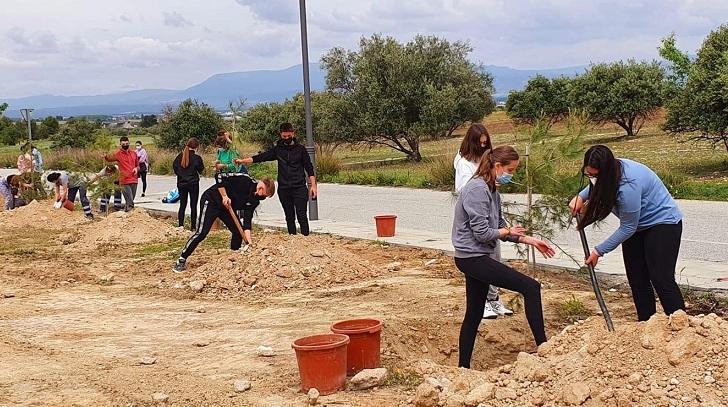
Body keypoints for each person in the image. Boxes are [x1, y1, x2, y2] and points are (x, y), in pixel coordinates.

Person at [453, 146, 555, 369]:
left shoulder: (492, 190)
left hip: (477, 256)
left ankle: (463, 368)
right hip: (472, 257)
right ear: (497, 166)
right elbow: (482, 233)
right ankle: (544, 348)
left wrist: (531, 241)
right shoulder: (476, 190)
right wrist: (506, 232)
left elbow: (499, 227)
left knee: (474, 312)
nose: (512, 175)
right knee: (531, 287)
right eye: (510, 170)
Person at [569, 145, 685, 322]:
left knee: (661, 278)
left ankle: (679, 324)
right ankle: (646, 323)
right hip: (638, 227)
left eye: (595, 175)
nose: (592, 179)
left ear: (606, 172)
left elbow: (628, 227)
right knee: (637, 278)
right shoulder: (610, 170)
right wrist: (581, 196)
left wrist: (599, 251)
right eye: (588, 174)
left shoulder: (628, 185)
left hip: (663, 224)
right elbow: (596, 186)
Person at [454, 123, 512, 319]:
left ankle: (493, 298)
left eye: (486, 143)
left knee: (495, 257)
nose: (483, 147)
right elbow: (466, 190)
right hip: (475, 219)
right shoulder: (466, 167)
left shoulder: (490, 175)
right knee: (482, 267)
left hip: (486, 212)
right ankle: (485, 302)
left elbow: (500, 224)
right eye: (480, 144)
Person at [172, 173, 276, 273]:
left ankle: (233, 258)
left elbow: (247, 223)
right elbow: (219, 176)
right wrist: (224, 196)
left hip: (227, 209)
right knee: (202, 232)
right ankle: (182, 259)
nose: (259, 193)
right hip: (212, 201)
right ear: (261, 183)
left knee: (238, 232)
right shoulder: (245, 179)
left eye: (264, 195)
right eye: (261, 189)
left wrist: (249, 243)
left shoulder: (255, 200)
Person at [241, 122, 317, 236]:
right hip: (284, 188)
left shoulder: (301, 149)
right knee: (289, 216)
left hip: (299, 187)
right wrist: (243, 161)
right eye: (284, 136)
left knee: (302, 215)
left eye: (288, 136)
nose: (286, 138)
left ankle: (306, 238)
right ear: (280, 135)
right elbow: (262, 157)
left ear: (293, 133)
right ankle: (292, 237)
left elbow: (309, 168)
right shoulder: (278, 150)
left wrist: (313, 186)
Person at [173, 137, 204, 230]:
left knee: (182, 204)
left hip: (181, 183)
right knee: (193, 205)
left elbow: (175, 168)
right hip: (193, 183)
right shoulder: (197, 158)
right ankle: (193, 227)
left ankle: (181, 225)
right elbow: (201, 170)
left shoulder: (179, 156)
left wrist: (181, 175)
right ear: (196, 147)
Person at [104, 136, 139, 211]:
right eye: (123, 144)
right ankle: (131, 216)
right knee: (130, 202)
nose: (125, 145)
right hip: (124, 181)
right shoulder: (118, 154)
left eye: (127, 143)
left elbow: (138, 165)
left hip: (134, 180)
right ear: (120, 144)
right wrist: (105, 156)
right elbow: (110, 159)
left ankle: (126, 214)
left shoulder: (134, 153)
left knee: (130, 200)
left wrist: (136, 169)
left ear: (129, 143)